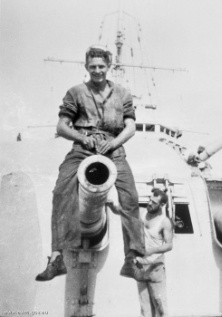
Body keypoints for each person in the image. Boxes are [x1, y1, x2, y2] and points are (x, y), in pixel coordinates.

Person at [35, 45, 145, 281]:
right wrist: (83, 138)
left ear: (109, 67)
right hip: (83, 147)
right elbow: (62, 127)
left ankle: (132, 259)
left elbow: (130, 127)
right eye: (93, 66)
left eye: (101, 67)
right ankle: (57, 258)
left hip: (113, 149)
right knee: (62, 189)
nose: (97, 71)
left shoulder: (123, 94)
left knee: (130, 197)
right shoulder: (75, 92)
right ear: (86, 67)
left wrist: (113, 143)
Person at [134, 188, 173, 317]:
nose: (150, 203)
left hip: (155, 268)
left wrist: (151, 250)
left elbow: (169, 245)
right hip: (141, 266)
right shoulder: (144, 213)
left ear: (162, 205)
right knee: (145, 309)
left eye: (154, 202)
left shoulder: (165, 222)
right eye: (150, 200)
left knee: (160, 307)